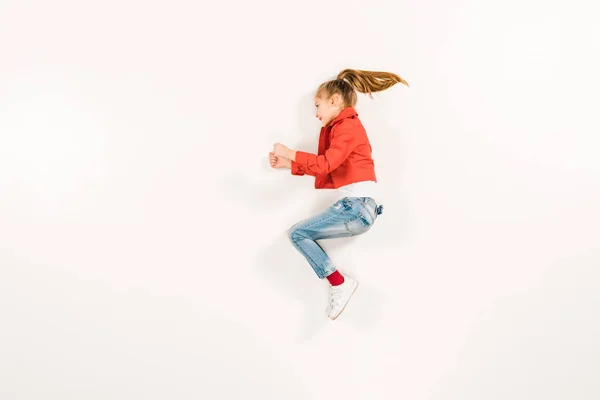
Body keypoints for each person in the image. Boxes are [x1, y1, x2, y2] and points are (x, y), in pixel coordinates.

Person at [269, 68, 408, 320]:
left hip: (356, 207)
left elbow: (324, 164)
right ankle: (338, 282)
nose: (316, 112)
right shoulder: (345, 129)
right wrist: (289, 165)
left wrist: (290, 152)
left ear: (334, 101)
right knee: (299, 234)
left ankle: (339, 283)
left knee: (298, 234)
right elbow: (328, 171)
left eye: (318, 105)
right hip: (361, 210)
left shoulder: (348, 127)